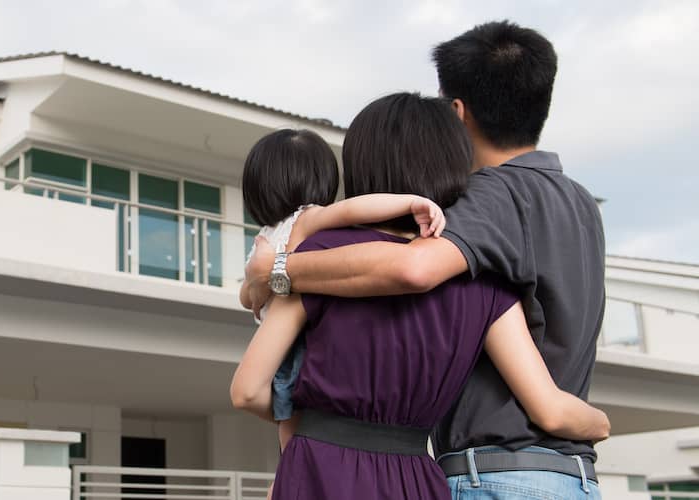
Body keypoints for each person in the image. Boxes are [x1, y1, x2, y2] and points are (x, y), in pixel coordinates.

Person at [244, 21, 607, 498]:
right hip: (571, 475)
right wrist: (598, 419)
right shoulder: (579, 204)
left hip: (493, 472)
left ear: (457, 112)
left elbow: (411, 268)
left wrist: (276, 270)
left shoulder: (492, 194)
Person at [238, 127, 448, 480]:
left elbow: (249, 297)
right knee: (298, 428)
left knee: (293, 432)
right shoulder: (288, 227)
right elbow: (354, 210)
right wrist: (409, 202)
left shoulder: (283, 229)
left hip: (286, 341)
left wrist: (261, 285)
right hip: (294, 340)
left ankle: (295, 478)